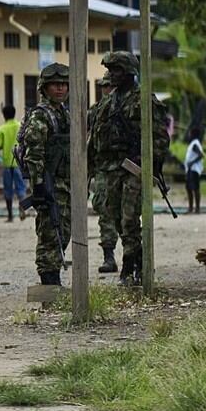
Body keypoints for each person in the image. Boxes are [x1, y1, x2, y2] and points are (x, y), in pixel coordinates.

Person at [88, 51, 170, 286]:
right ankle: (137, 258)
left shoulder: (144, 100)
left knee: (130, 218)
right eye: (110, 70)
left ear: (129, 72)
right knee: (114, 217)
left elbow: (160, 137)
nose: (112, 74)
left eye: (117, 70)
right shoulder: (107, 102)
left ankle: (129, 265)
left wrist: (150, 164)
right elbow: (95, 136)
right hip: (111, 168)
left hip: (135, 169)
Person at [21, 62, 71, 286]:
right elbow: (34, 154)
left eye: (64, 84)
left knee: (64, 230)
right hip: (49, 183)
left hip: (65, 183)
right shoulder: (40, 116)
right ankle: (49, 281)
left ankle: (53, 275)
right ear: (44, 87)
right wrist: (39, 185)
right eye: (55, 85)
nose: (60, 88)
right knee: (50, 232)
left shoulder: (64, 114)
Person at [88, 71, 119, 273]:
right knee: (103, 208)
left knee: (128, 214)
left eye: (109, 86)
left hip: (124, 168)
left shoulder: (127, 109)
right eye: (104, 86)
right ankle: (109, 256)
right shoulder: (95, 111)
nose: (106, 90)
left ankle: (135, 259)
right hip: (102, 168)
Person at [0, 105, 26, 222]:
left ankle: (10, 215)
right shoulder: (20, 126)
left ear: (4, 115)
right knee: (21, 187)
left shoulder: (1, 129)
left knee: (8, 189)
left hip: (7, 163)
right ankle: (22, 208)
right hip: (19, 162)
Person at [184, 127, 204, 214]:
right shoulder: (193, 144)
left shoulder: (195, 144)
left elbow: (200, 155)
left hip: (194, 169)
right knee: (189, 188)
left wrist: (191, 162)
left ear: (193, 135)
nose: (188, 135)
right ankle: (191, 208)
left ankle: (197, 208)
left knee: (195, 188)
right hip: (190, 169)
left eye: (190, 133)